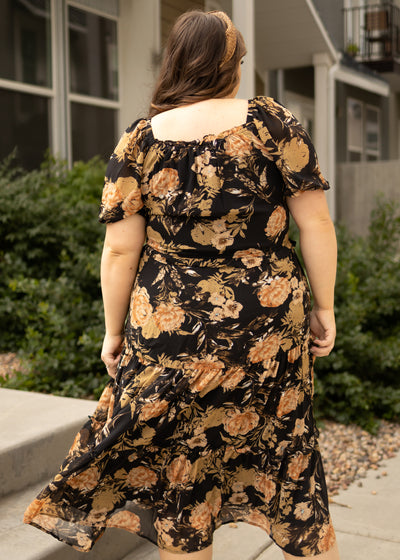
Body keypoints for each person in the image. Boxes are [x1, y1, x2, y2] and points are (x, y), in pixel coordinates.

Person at [24, 9, 340, 560]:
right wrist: (326, 306)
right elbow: (316, 223)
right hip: (264, 328)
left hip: (169, 332)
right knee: (291, 460)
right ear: (229, 66)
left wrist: (113, 331)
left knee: (182, 477)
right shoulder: (273, 123)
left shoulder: (140, 140)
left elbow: (120, 248)